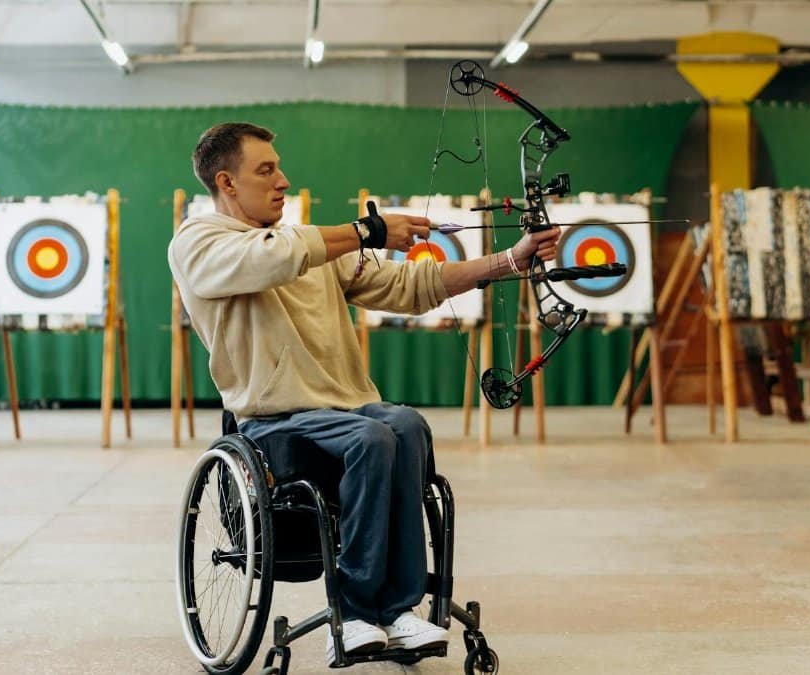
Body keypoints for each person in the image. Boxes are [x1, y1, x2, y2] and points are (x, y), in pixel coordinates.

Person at [168, 122, 559, 665]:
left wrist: (509, 261)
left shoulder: (311, 245)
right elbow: (267, 259)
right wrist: (365, 230)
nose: (282, 180)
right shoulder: (198, 242)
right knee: (372, 437)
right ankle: (352, 615)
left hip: (349, 412)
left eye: (280, 166)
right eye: (266, 170)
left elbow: (408, 285)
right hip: (273, 424)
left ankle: (398, 612)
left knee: (405, 425)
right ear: (227, 182)